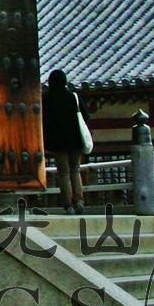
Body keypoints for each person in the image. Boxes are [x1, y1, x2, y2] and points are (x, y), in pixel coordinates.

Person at [44, 68, 89, 210]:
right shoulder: (72, 97)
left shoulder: (47, 98)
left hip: (58, 141)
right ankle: (79, 200)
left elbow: (44, 120)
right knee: (75, 170)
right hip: (75, 140)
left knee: (63, 173)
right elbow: (86, 116)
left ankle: (68, 204)